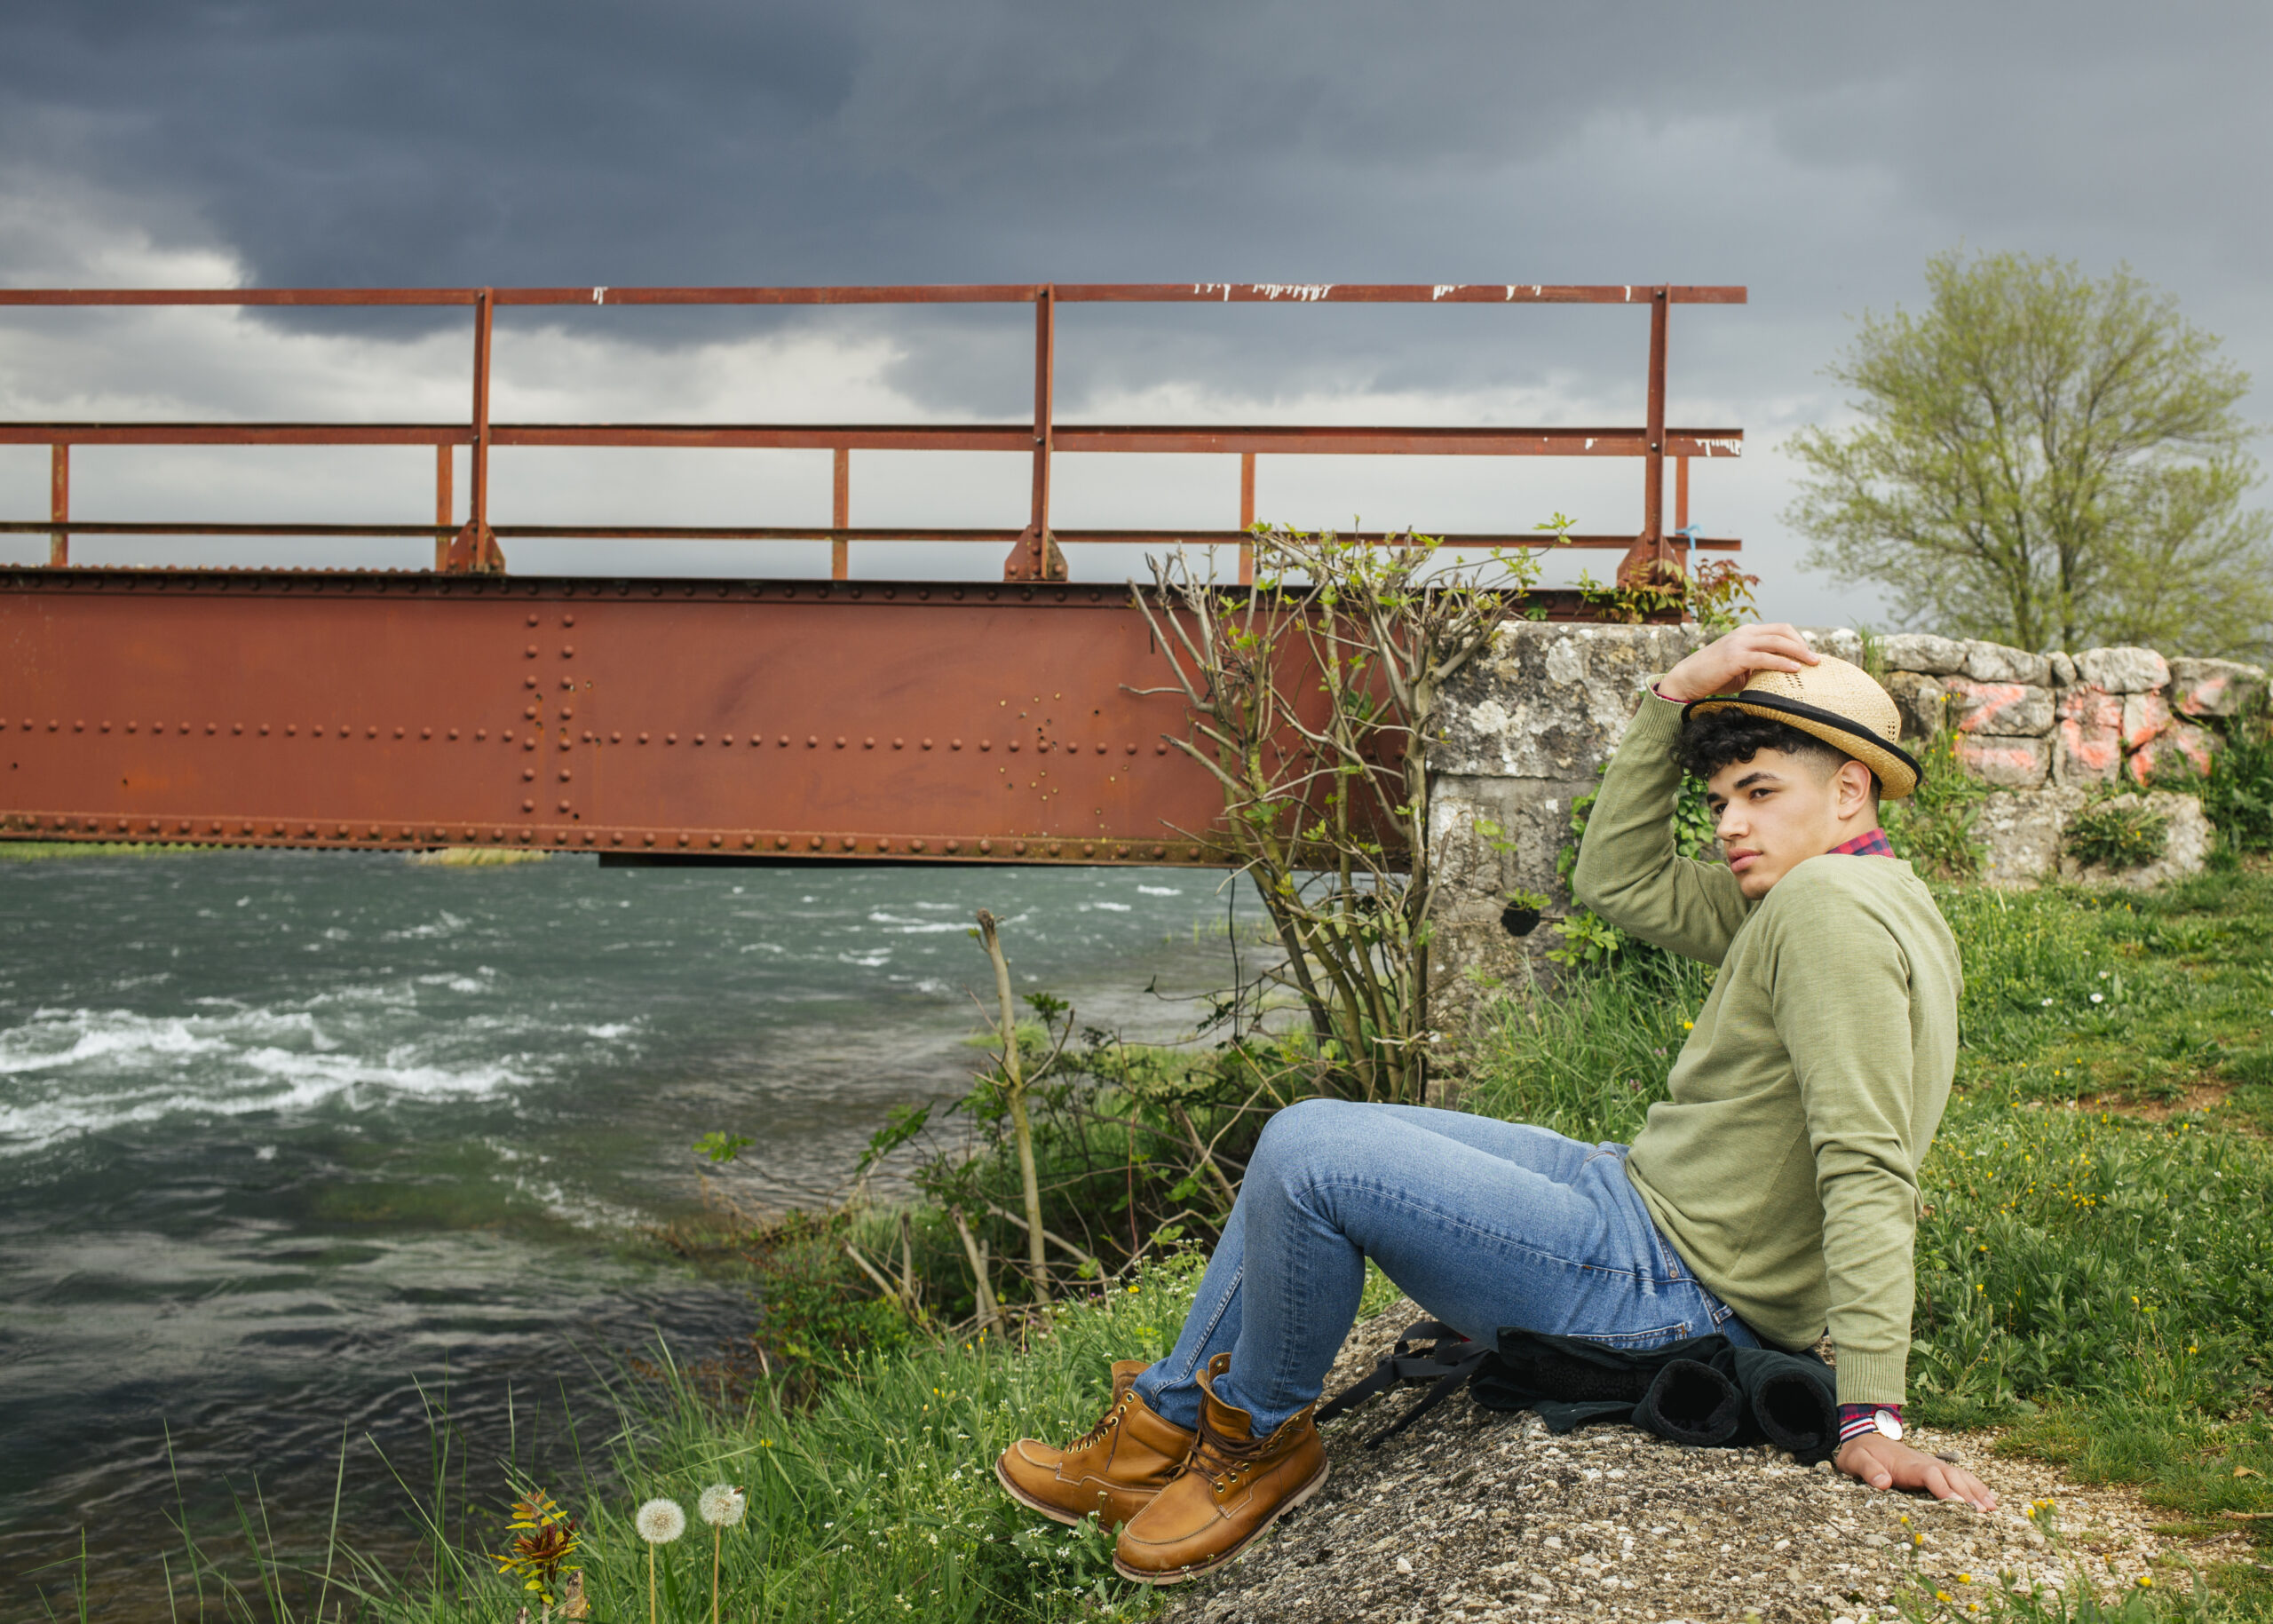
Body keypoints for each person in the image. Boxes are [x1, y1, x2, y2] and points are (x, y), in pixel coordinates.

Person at [995, 622, 1995, 1586]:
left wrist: (1871, 1413)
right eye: (1723, 795)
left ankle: (1255, 1437)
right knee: (1317, 1136)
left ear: (1851, 786)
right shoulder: (1839, 891)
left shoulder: (1827, 915)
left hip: (1669, 1284)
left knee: (1309, 1151)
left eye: (1762, 791)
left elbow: (1866, 1161)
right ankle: (1161, 1427)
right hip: (1632, 1199)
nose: (1730, 822)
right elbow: (1620, 877)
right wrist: (1670, 699)